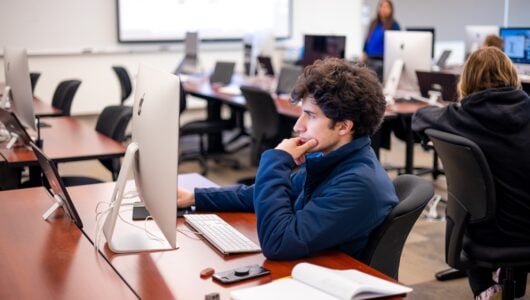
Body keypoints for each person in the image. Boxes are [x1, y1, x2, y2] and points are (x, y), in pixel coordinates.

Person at [178, 58, 398, 260]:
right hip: (311, 267)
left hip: (329, 282)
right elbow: (256, 195)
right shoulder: (333, 159)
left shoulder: (357, 183)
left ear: (343, 126)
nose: (297, 126)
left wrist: (276, 160)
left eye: (310, 116)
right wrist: (194, 198)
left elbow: (278, 243)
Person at [412, 47, 530, 299]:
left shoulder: (457, 117)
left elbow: (419, 118)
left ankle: (485, 287)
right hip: (525, 226)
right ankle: (507, 278)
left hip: (484, 234)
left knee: (474, 203)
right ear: (512, 77)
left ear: (467, 80)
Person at [362, 0, 400, 81]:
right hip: (370, 59)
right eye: (381, 6)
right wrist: (363, 51)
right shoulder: (373, 23)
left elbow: (396, 44)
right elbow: (367, 39)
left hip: (383, 61)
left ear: (391, 9)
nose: (383, 9)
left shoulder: (394, 25)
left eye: (386, 7)